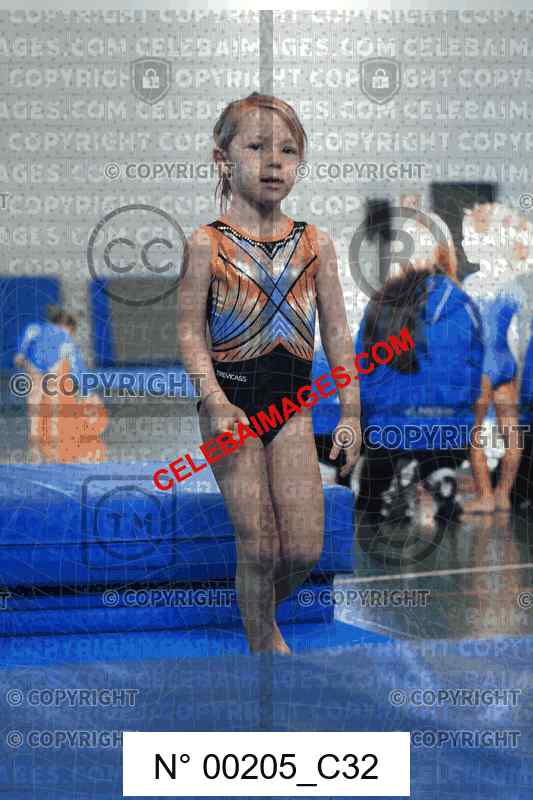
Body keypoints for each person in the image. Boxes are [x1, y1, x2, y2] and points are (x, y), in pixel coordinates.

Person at [176, 92, 361, 654]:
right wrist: (214, 400)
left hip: (292, 409)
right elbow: (190, 333)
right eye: (256, 147)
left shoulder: (315, 244)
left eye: (288, 150)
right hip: (231, 406)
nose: (274, 161)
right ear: (222, 159)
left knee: (303, 548)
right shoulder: (206, 244)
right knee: (257, 545)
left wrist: (351, 410)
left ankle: (254, 608)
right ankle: (262, 636)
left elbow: (336, 333)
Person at [355, 213, 484, 528]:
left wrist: (369, 413)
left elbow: (362, 367)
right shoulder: (464, 304)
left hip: (389, 424)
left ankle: (381, 493)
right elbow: (475, 371)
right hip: (447, 425)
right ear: (444, 253)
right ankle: (440, 479)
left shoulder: (380, 303)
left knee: (374, 482)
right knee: (439, 437)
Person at [461, 202, 532, 513]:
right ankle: (503, 493)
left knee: (473, 433)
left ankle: (485, 496)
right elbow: (516, 333)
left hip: (483, 365)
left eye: (469, 237)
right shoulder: (513, 283)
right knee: (511, 432)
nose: (465, 244)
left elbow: (467, 332)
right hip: (507, 362)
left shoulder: (472, 284)